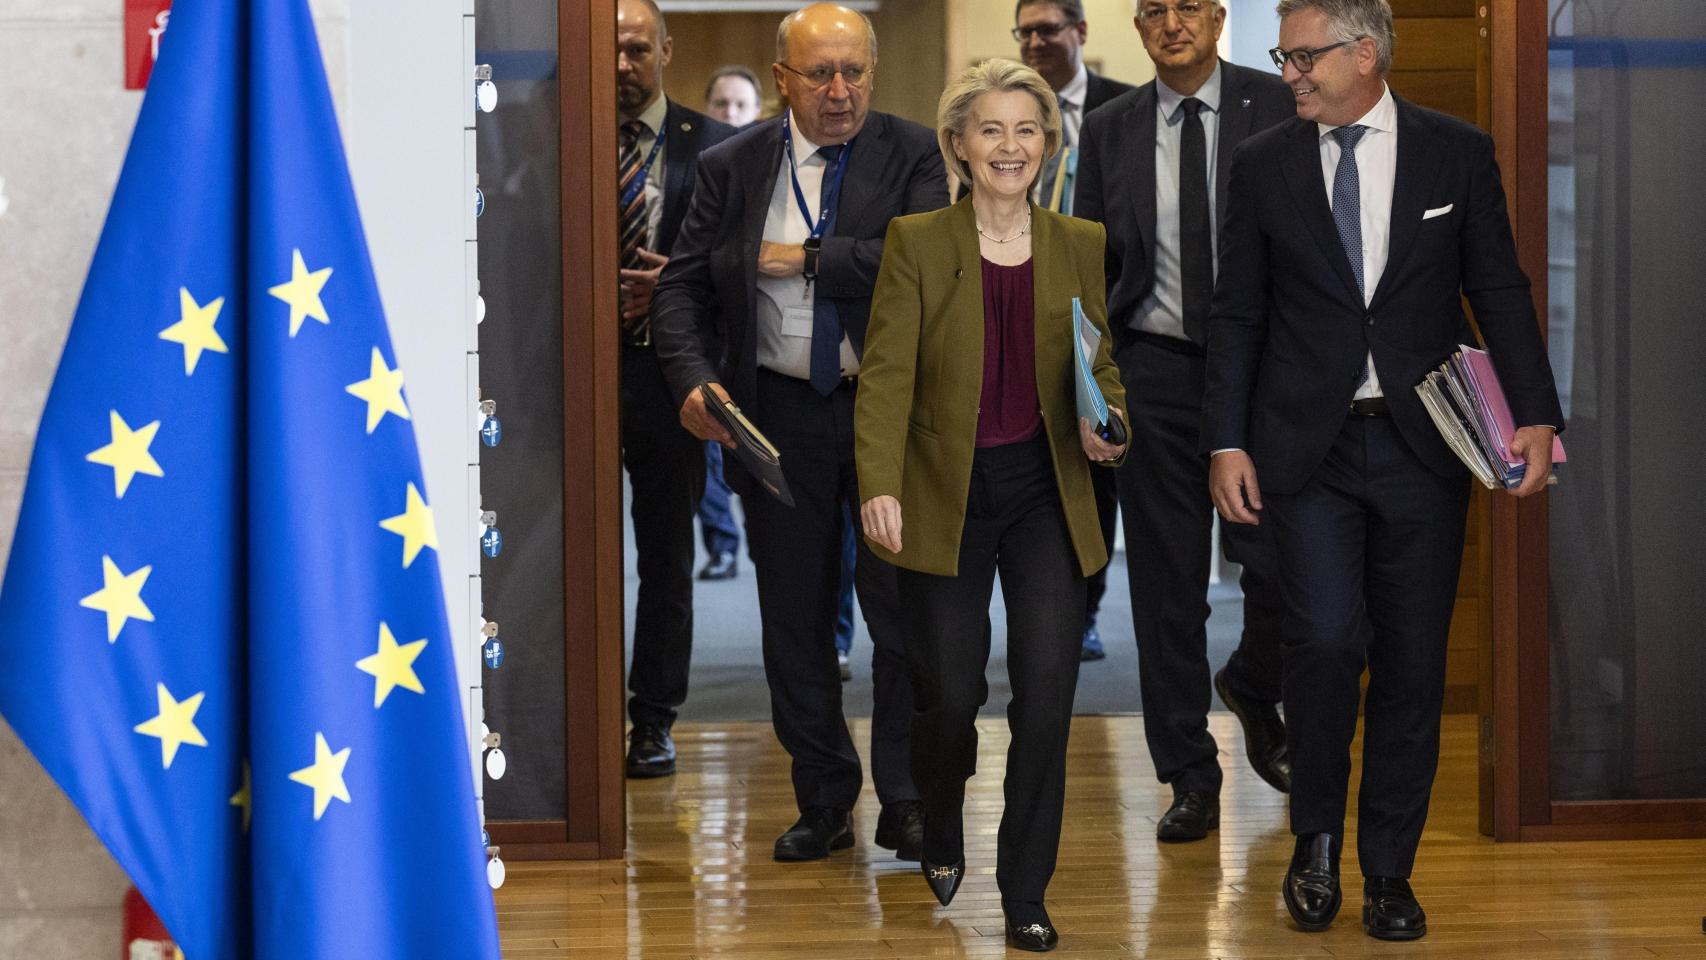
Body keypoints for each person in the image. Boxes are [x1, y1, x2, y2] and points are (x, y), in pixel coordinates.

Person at [1203, 0, 1562, 941]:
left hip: (1425, 445)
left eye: (1303, 55)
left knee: (1413, 660)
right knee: (1323, 642)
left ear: (1365, 54)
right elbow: (1236, 311)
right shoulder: (1262, 164)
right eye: (1283, 54)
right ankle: (1316, 837)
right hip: (1303, 449)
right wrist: (1225, 440)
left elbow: (1499, 289)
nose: (1289, 72)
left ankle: (1390, 871)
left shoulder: (1456, 152)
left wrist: (1535, 415)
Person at [652, 2, 947, 864]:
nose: (841, 90)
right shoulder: (731, 166)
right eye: (820, 73)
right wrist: (694, 379)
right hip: (775, 415)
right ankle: (823, 796)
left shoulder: (913, 150)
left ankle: (906, 798)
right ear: (782, 80)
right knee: (794, 618)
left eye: (855, 70)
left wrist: (798, 257)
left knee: (900, 616)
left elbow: (916, 260)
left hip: (886, 416)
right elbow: (678, 290)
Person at [857, 58, 1127, 953]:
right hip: (946, 492)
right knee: (948, 693)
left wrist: (1109, 423)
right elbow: (888, 377)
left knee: (1047, 696)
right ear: (959, 146)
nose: (1010, 147)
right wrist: (880, 482)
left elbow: (1099, 368)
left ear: (1048, 146)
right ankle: (939, 809)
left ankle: (1025, 890)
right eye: (991, 130)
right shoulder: (917, 240)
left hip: (1047, 492)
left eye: (1027, 130)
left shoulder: (1079, 241)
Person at [1074, 0, 1295, 841]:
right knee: (1166, 588)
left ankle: (1252, 679)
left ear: (1217, 17)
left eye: (1188, 8)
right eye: (1154, 10)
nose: (1173, 24)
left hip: (1265, 375)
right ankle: (1189, 775)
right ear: (1138, 27)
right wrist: (1097, 383)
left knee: (1277, 564)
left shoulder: (1274, 103)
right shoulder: (1109, 127)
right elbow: (1089, 263)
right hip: (1155, 372)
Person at [613, 0, 735, 780]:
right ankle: (571, 716)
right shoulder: (552, 135)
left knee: (665, 557)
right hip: (571, 383)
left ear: (664, 48)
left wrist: (677, 284)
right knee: (566, 557)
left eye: (635, 50)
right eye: (611, 54)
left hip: (670, 379)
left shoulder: (717, 146)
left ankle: (653, 719)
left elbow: (745, 262)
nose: (623, 68)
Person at [1011, 0, 1133, 662]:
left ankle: (1085, 607)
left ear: (1079, 33)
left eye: (1046, 29)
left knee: (1097, 470)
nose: (1034, 42)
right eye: (1024, 31)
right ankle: (1040, 611)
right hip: (1019, 317)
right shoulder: (1003, 109)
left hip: (1104, 320)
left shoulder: (1124, 111)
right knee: (1032, 466)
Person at [695, 64, 766, 582]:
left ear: (759, 111)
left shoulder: (778, 169)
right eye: (721, 105)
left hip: (770, 345)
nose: (731, 115)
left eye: (741, 105)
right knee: (712, 454)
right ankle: (722, 545)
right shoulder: (703, 170)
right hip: (710, 339)